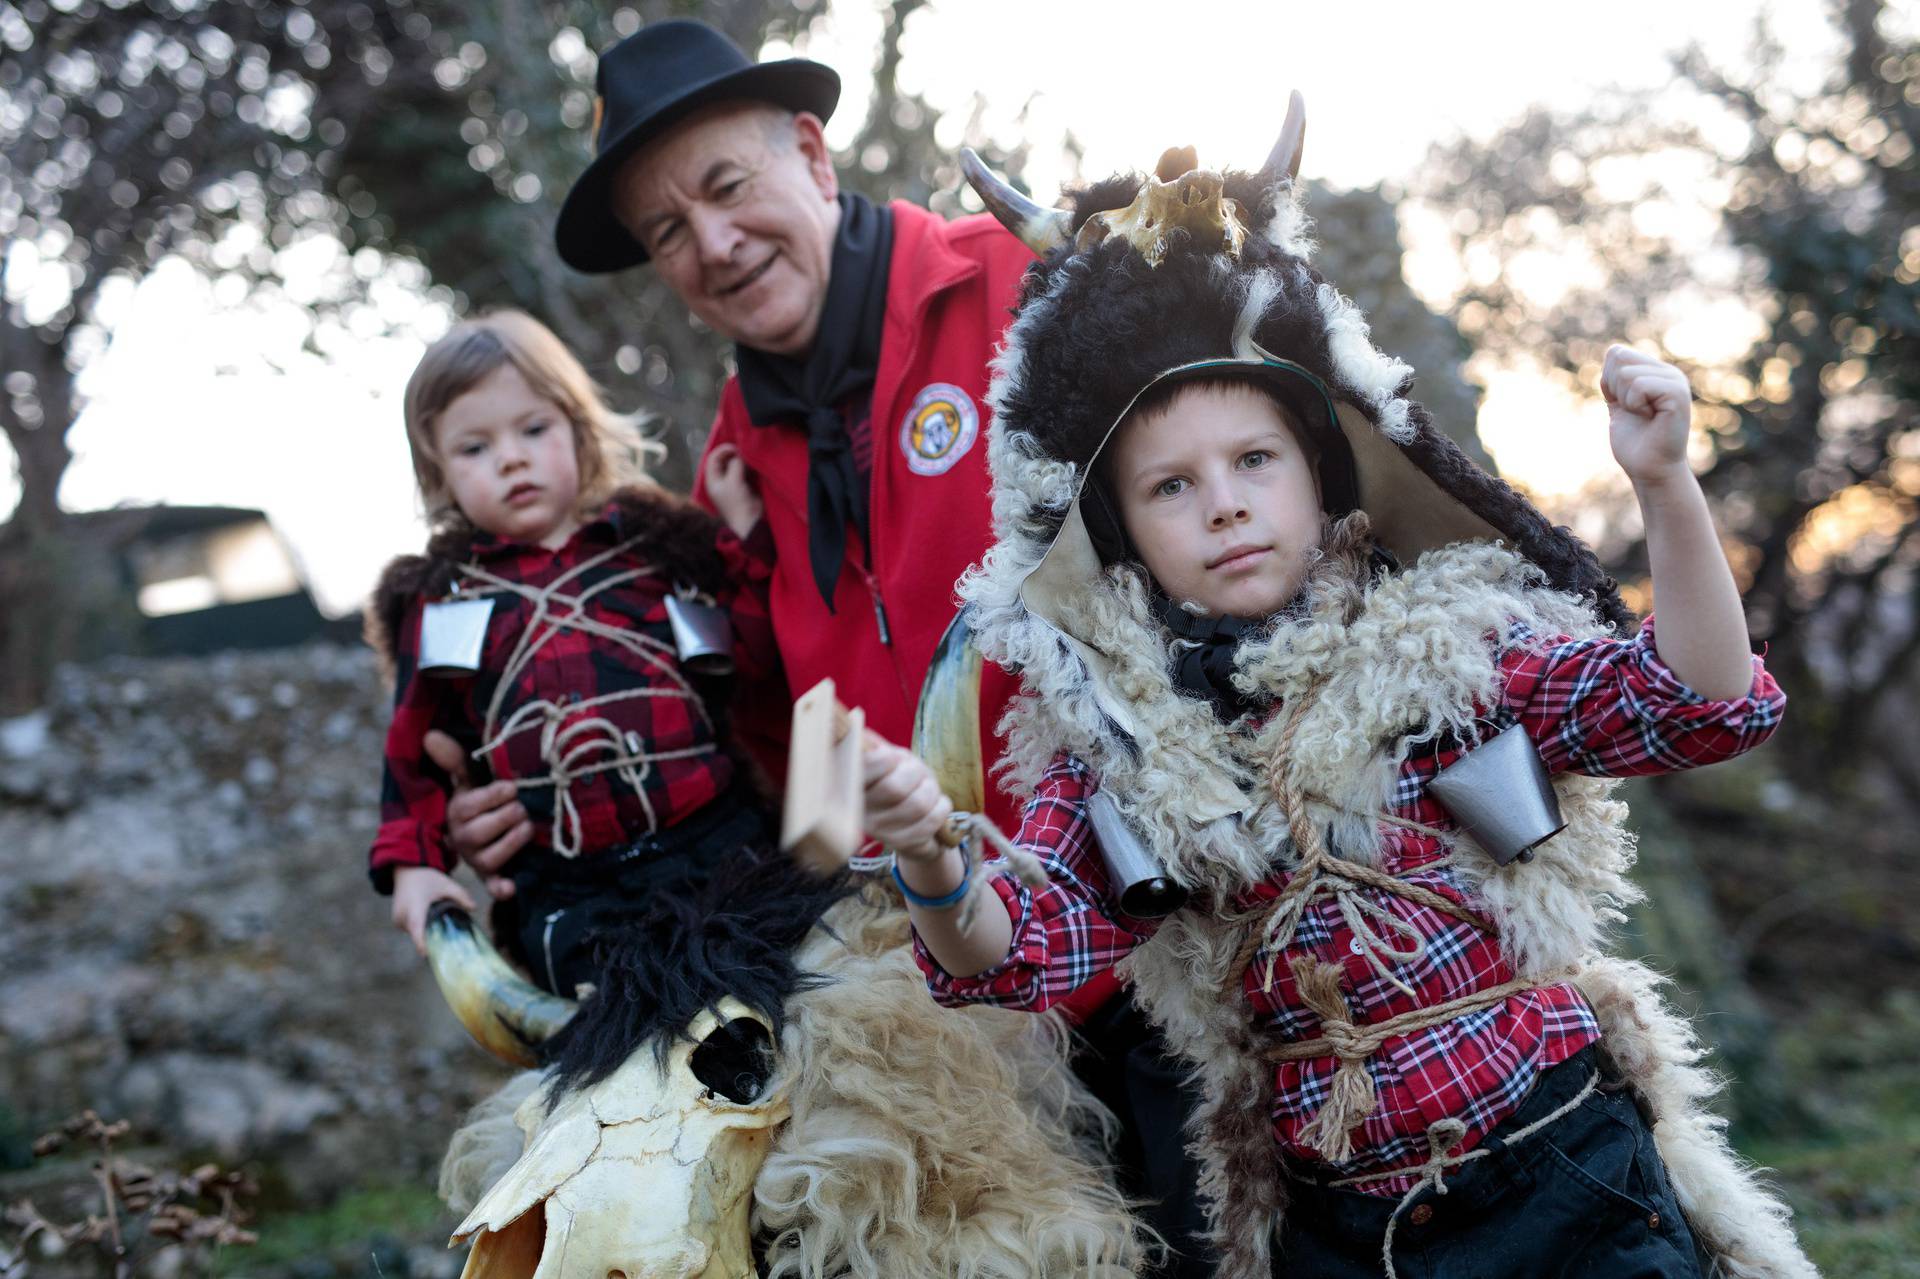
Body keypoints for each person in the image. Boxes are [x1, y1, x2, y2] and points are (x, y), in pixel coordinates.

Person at [863, 140, 1818, 1278]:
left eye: (1254, 459)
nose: (1223, 505)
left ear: (1322, 473)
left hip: (1564, 1172)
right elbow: (1023, 950)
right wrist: (932, 861)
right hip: (1347, 1232)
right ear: (1118, 537)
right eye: (1171, 486)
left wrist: (1666, 487)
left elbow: (1695, 707)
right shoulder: (1122, 747)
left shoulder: (1454, 647)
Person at [439, 22, 1216, 1272]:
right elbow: (779, 758)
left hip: (1172, 945)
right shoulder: (731, 468)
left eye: (728, 187)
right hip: (964, 1019)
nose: (714, 245)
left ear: (810, 150)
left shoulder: (1029, 290)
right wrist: (550, 802)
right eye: (667, 232)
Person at [365, 309, 778, 997]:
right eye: (474, 447)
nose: (511, 457)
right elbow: (413, 750)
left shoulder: (658, 545)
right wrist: (415, 865)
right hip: (571, 894)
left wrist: (742, 539)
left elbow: (752, 657)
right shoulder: (443, 600)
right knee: (623, 1057)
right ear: (437, 471)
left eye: (534, 429)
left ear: (579, 431)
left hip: (719, 846)